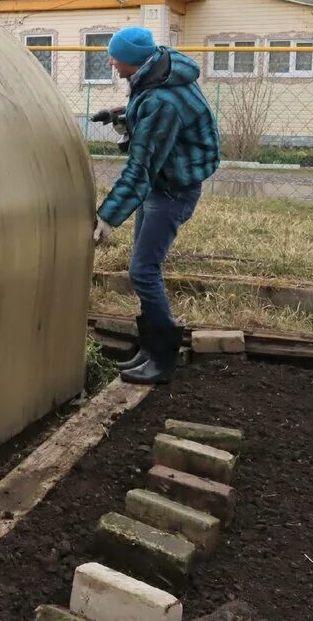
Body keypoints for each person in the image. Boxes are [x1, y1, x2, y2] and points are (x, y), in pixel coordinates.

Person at [92, 27, 220, 385]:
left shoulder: (163, 102)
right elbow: (149, 109)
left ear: (133, 60)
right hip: (165, 184)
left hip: (171, 191)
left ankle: (163, 357)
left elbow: (141, 168)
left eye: (115, 55)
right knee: (144, 267)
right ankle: (148, 348)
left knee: (142, 271)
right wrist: (123, 114)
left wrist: (107, 217)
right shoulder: (159, 70)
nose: (111, 60)